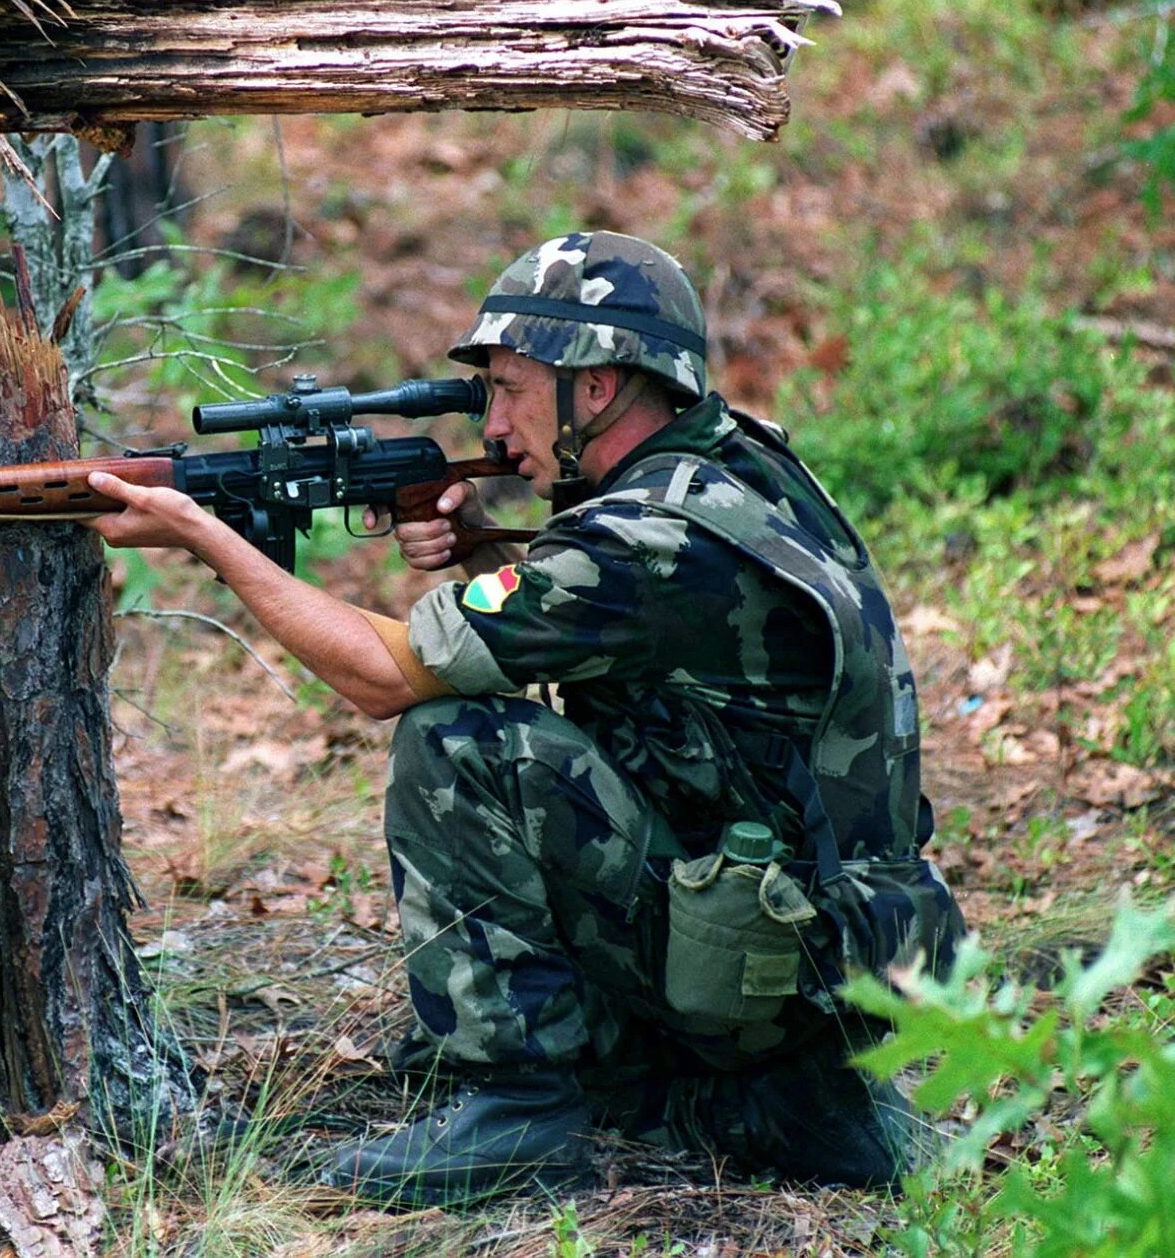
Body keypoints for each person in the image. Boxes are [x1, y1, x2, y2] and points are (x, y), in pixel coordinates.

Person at [83, 231, 965, 1206]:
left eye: (508, 386)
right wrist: (481, 548)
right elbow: (624, 634)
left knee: (461, 744)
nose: (494, 424)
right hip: (841, 959)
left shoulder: (641, 542)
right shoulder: (739, 467)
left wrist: (207, 537)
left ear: (594, 387)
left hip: (766, 969)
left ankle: (517, 1112)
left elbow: (384, 677)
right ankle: (773, 1098)